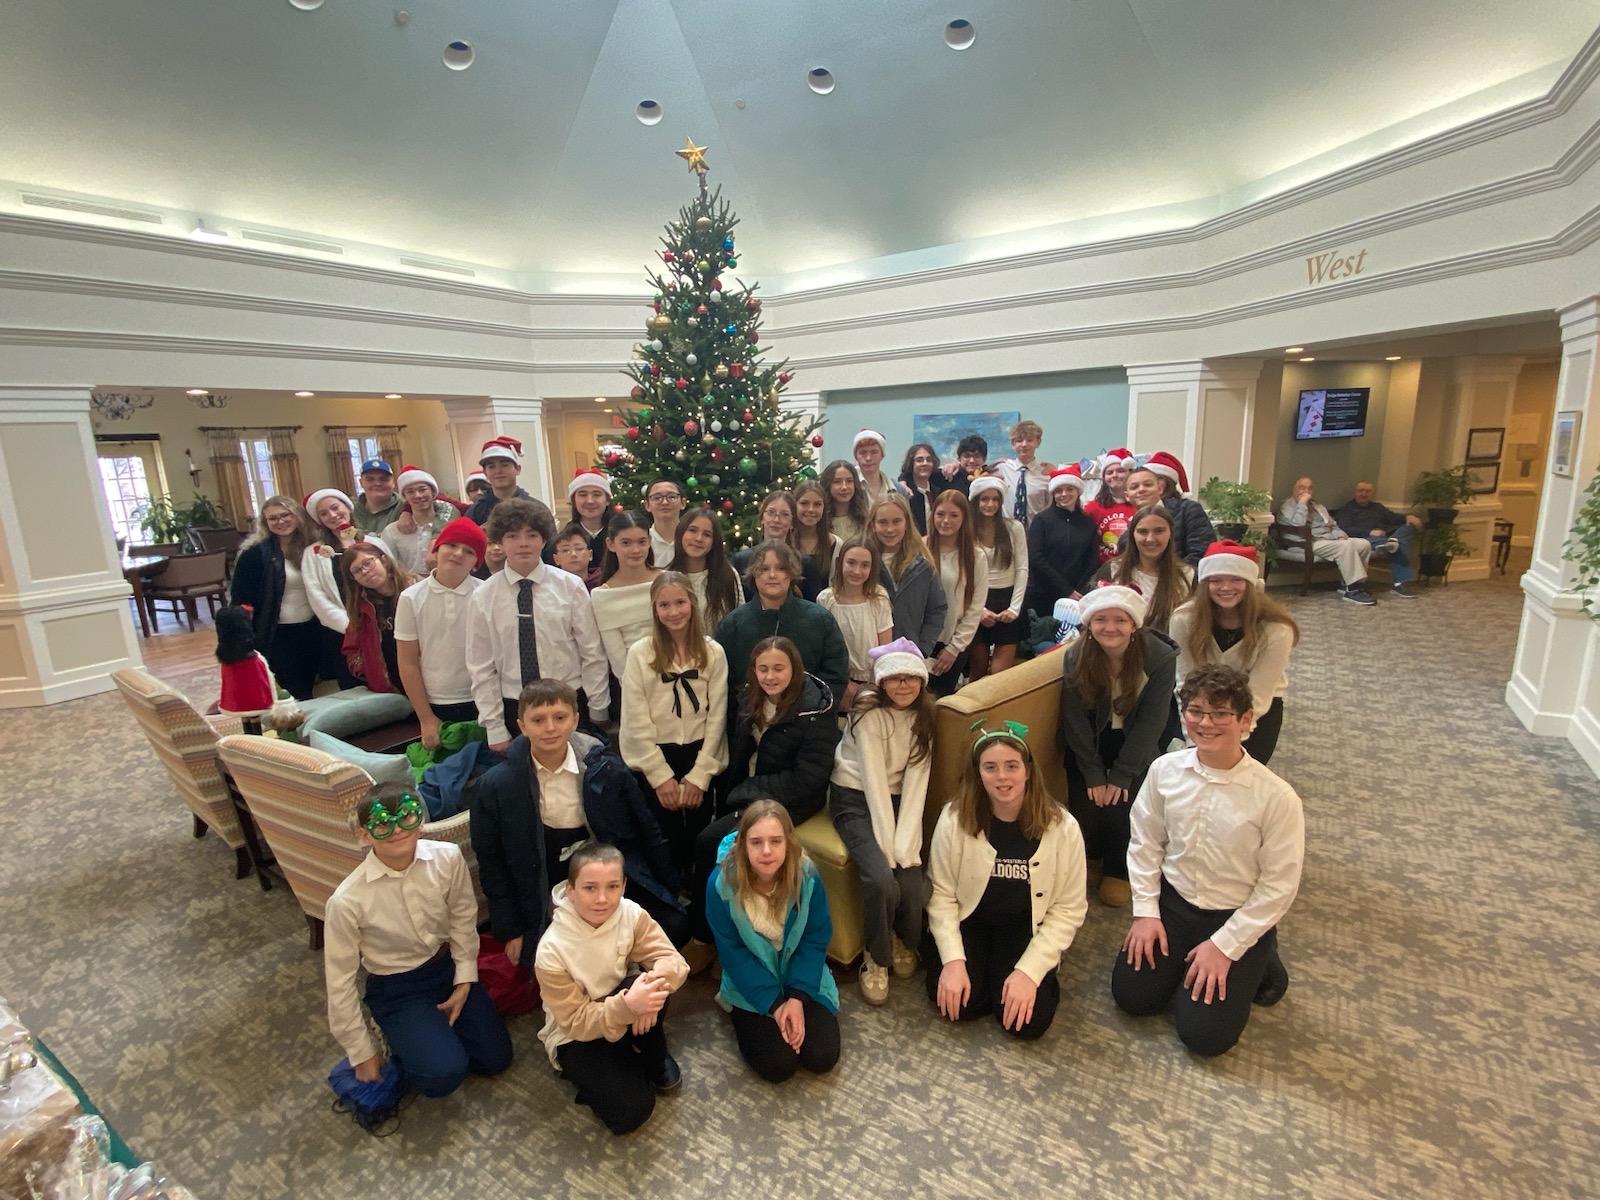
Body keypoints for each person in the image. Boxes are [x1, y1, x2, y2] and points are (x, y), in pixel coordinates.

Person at [1112, 664, 1303, 1057]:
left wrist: (1227, 946)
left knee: (1204, 1038)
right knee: (1133, 999)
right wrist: (1146, 912)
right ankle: (1188, 961)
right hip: (1175, 904)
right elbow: (1145, 842)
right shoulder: (1164, 771)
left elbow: (1278, 886)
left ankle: (1262, 956)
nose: (1206, 723)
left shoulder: (1277, 797)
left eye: (1220, 714)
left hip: (1232, 915)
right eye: (1196, 711)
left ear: (1246, 720)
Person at [472, 680, 687, 967]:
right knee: (551, 960)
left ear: (575, 720)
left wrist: (667, 885)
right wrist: (510, 929)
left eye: (559, 718)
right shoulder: (495, 787)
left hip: (604, 871)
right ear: (522, 726)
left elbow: (646, 827)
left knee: (672, 927)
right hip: (543, 883)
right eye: (538, 720)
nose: (550, 728)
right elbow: (491, 861)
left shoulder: (604, 768)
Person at [324, 783, 512, 1099]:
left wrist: (465, 980)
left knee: (495, 1058)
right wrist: (360, 1051)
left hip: (445, 966)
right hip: (396, 985)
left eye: (406, 817)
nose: (396, 829)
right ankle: (392, 1031)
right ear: (364, 835)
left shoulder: (448, 858)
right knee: (443, 1076)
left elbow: (463, 918)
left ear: (420, 820)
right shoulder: (346, 901)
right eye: (383, 823)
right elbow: (338, 980)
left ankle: (428, 1033)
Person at [924, 722, 1086, 1040]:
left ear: (1027, 771)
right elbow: (941, 894)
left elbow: (1069, 908)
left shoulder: (1063, 828)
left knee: (1026, 1023)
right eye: (990, 768)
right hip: (971, 918)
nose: (1002, 777)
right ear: (978, 774)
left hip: (1026, 924)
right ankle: (977, 970)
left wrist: (1030, 971)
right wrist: (955, 961)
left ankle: (1020, 973)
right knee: (960, 1006)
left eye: (1011, 766)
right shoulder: (954, 819)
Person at [692, 637, 841, 947]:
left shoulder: (815, 710)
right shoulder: (751, 698)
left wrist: (745, 793)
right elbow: (739, 753)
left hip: (791, 799)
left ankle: (710, 938)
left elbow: (808, 778)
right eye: (763, 669)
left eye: (778, 668)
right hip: (749, 790)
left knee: (710, 843)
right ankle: (717, 930)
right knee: (707, 839)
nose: (770, 676)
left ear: (795, 669)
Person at [534, 842, 689, 1135]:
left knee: (652, 985)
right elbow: (575, 1021)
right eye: (590, 888)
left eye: (613, 887)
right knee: (631, 1112)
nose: (602, 899)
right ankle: (622, 1062)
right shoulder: (551, 951)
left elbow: (672, 961)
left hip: (619, 1004)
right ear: (570, 890)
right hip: (575, 1034)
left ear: (624, 886)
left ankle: (648, 1056)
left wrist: (646, 994)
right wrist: (630, 1007)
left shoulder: (630, 913)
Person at [829, 638, 936, 1005]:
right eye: (894, 679)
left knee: (911, 882)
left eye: (911, 678)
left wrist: (906, 847)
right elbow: (873, 782)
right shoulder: (868, 712)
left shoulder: (925, 715)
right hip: (855, 798)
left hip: (897, 800)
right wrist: (888, 850)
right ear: (881, 682)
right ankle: (876, 956)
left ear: (922, 681)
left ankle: (904, 940)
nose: (903, 685)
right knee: (881, 879)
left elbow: (917, 783)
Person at [704, 800, 840, 1083]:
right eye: (756, 842)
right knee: (779, 1066)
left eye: (775, 841)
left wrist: (797, 998)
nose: (766, 851)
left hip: (798, 976)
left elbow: (814, 940)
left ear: (788, 842)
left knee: (822, 1056)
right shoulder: (721, 885)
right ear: (743, 845)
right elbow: (734, 956)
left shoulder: (807, 876)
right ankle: (742, 1011)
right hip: (750, 984)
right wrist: (775, 1004)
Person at [1059, 585, 1178, 907]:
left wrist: (1122, 775)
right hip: (1091, 741)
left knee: (1125, 808)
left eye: (1119, 620)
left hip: (1137, 741)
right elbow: (1074, 720)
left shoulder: (1160, 657)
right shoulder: (1076, 655)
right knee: (1086, 806)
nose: (1110, 628)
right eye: (1100, 620)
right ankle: (1092, 857)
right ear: (1089, 624)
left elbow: (1152, 721)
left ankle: (1118, 868)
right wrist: (1094, 773)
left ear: (1134, 624)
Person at [465, 498, 609, 752]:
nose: (523, 543)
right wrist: (494, 726)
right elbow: (481, 666)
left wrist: (598, 706)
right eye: (512, 535)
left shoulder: (569, 586)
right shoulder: (483, 596)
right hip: (514, 705)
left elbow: (591, 651)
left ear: (543, 539)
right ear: (499, 540)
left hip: (570, 699)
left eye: (531, 535)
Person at [620, 572, 730, 878]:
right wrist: (659, 777)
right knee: (662, 842)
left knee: (700, 841)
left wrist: (700, 776)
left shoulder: (712, 652)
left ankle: (700, 900)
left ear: (692, 604)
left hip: (699, 754)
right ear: (654, 610)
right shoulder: (641, 654)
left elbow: (718, 716)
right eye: (664, 605)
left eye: (680, 602)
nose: (673, 611)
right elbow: (635, 720)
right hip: (657, 757)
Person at [1169, 542, 1299, 765]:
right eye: (1216, 580)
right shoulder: (1184, 619)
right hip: (1197, 706)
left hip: (1254, 711)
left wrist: (1231, 742)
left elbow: (1259, 692)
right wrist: (1193, 735)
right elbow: (1185, 680)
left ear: (1250, 583)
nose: (1225, 587)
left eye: (1236, 579)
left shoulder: (1277, 628)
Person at [713, 539, 850, 709]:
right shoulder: (732, 625)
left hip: (807, 724)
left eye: (780, 568)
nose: (772, 575)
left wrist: (811, 708)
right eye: (764, 569)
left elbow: (836, 674)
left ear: (791, 573)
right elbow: (723, 683)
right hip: (749, 724)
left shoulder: (820, 620)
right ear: (754, 574)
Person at [395, 518, 487, 741]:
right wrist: (425, 718)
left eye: (468, 551)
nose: (457, 554)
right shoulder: (411, 598)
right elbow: (407, 662)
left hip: (483, 697)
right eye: (452, 545)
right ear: (436, 549)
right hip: (436, 701)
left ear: (476, 563)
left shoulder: (486, 593)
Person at [230, 495, 321, 700]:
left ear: (296, 516)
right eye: (273, 519)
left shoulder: (314, 546)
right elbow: (240, 601)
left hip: (314, 629)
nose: (280, 522)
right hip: (276, 633)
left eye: (285, 515)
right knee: (293, 691)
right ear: (265, 523)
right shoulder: (254, 555)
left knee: (317, 687)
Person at [301, 487, 385, 689]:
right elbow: (318, 598)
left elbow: (391, 580)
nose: (332, 515)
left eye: (335, 507)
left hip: (382, 626)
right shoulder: (313, 554)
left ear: (347, 507)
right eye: (323, 513)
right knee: (356, 687)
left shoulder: (374, 543)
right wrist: (353, 626)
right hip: (344, 632)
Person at [816, 536, 894, 712]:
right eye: (851, 563)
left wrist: (872, 686)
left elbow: (885, 648)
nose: (857, 571)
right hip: (839, 681)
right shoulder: (826, 599)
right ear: (840, 563)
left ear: (872, 568)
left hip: (873, 680)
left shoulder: (879, 598)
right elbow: (824, 649)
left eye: (865, 565)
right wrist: (846, 683)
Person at [866, 493, 948, 660]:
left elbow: (937, 609)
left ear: (907, 524)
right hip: (868, 655)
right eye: (883, 522)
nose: (890, 529)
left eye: (896, 521)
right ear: (873, 525)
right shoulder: (863, 562)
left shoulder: (923, 565)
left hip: (909, 655)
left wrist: (922, 649)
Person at [1094, 504, 1194, 634]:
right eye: (1143, 532)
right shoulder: (1112, 570)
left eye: (1159, 531)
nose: (1150, 539)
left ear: (1170, 533)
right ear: (1132, 535)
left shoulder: (1188, 575)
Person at [967, 476, 1030, 679]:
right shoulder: (966, 530)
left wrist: (1014, 608)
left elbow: (1022, 569)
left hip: (1008, 600)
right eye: (984, 499)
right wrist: (978, 610)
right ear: (976, 501)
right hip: (978, 600)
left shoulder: (1014, 528)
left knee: (999, 675)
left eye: (995, 499)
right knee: (977, 670)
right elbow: (964, 574)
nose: (990, 504)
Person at [1277, 475, 1375, 604]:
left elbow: (1332, 524)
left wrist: (1340, 535)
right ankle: (1352, 590)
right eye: (1302, 488)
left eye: (1310, 488)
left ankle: (1349, 584)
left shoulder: (1317, 506)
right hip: (1306, 543)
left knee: (1364, 544)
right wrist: (1302, 504)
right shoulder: (1287, 506)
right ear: (1294, 490)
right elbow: (1298, 525)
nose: (1306, 491)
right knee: (1345, 547)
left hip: (1328, 540)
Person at [924, 490, 984, 697]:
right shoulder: (920, 548)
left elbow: (976, 608)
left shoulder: (976, 556)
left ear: (964, 518)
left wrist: (954, 648)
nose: (946, 521)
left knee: (939, 704)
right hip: (919, 642)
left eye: (953, 515)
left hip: (951, 644)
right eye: (940, 514)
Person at [590, 510, 661, 682]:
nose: (635, 550)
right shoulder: (603, 596)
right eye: (626, 543)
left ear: (649, 541)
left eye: (641, 542)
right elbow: (618, 659)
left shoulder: (666, 582)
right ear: (611, 544)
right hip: (633, 682)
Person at [339, 540, 418, 694]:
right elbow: (350, 647)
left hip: (427, 679)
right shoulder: (361, 608)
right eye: (356, 571)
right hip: (390, 688)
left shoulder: (417, 589)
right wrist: (368, 671)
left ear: (384, 560)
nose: (365, 572)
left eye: (367, 563)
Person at [1026, 465, 1100, 613]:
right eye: (1059, 491)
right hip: (1043, 594)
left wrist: (1077, 590)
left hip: (1077, 596)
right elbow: (1036, 558)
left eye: (1069, 489)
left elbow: (1092, 561)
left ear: (1078, 491)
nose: (1064, 494)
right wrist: (1065, 590)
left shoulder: (1087, 522)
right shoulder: (1042, 520)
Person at [1332, 480, 1421, 599]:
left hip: (1384, 536)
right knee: (1397, 546)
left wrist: (1408, 517)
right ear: (1355, 492)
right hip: (1365, 539)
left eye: (1367, 491)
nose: (1364, 494)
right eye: (1361, 491)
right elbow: (1345, 529)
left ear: (1371, 493)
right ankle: (1399, 583)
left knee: (1409, 527)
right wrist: (1369, 532)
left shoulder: (1377, 507)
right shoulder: (1347, 509)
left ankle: (1392, 541)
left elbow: (1393, 518)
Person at [668, 507, 745, 628]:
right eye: (692, 530)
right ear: (681, 533)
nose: (699, 539)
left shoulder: (727, 575)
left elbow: (739, 619)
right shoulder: (668, 577)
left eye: (707, 534)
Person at [1138, 452, 1218, 567]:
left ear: (1161, 485)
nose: (1141, 489)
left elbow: (1201, 552)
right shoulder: (1137, 512)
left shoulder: (1188, 509)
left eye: (1148, 483)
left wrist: (1171, 576)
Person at [384, 466, 458, 576]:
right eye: (410, 492)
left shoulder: (452, 526)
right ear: (404, 496)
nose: (418, 495)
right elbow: (389, 568)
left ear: (433, 492)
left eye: (422, 489)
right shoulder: (392, 532)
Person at [547, 469, 612, 587]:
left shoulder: (618, 534)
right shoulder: (563, 540)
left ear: (607, 500)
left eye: (597, 494)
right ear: (574, 501)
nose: (590, 501)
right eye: (583, 494)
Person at [990, 419, 1053, 527]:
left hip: (1036, 533)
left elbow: (1050, 509)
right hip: (1005, 532)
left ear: (1038, 442)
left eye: (1029, 440)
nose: (1024, 444)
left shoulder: (1046, 474)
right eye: (1019, 440)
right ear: (1013, 444)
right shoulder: (1001, 469)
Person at [1085, 448, 1138, 564]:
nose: (1114, 475)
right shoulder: (1093, 507)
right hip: (1103, 569)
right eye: (1109, 472)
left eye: (1120, 471)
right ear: (1104, 478)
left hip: (1134, 566)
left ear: (1130, 473)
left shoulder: (1140, 504)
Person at [465, 437, 532, 528]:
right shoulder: (476, 511)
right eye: (491, 467)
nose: (498, 471)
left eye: (504, 465)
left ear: (517, 469)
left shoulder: (534, 508)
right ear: (485, 473)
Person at [730, 490, 798, 577]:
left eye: (784, 514)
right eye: (771, 512)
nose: (776, 520)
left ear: (792, 523)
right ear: (762, 518)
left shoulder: (804, 563)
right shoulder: (742, 560)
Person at [791, 479, 838, 600]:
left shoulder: (836, 544)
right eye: (804, 503)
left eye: (817, 504)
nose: (811, 509)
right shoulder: (785, 542)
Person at [897, 442, 953, 534]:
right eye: (919, 460)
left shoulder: (937, 491)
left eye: (929, 460)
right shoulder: (905, 493)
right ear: (911, 463)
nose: (925, 463)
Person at [822, 458, 869, 543]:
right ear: (828, 485)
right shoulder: (821, 521)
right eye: (837, 482)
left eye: (849, 481)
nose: (844, 487)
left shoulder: (865, 520)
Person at [642, 478, 687, 568]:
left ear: (683, 503)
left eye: (672, 497)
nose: (665, 502)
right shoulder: (642, 542)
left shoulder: (692, 540)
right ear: (647, 505)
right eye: (657, 498)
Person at [351, 458, 402, 534]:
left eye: (384, 479)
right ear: (361, 483)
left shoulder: (405, 507)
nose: (377, 483)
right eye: (370, 479)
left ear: (393, 482)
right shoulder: (350, 510)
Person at [852, 428, 896, 508]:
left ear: (882, 455)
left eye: (874, 452)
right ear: (856, 456)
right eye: (863, 453)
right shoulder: (849, 487)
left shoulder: (897, 489)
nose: (868, 458)